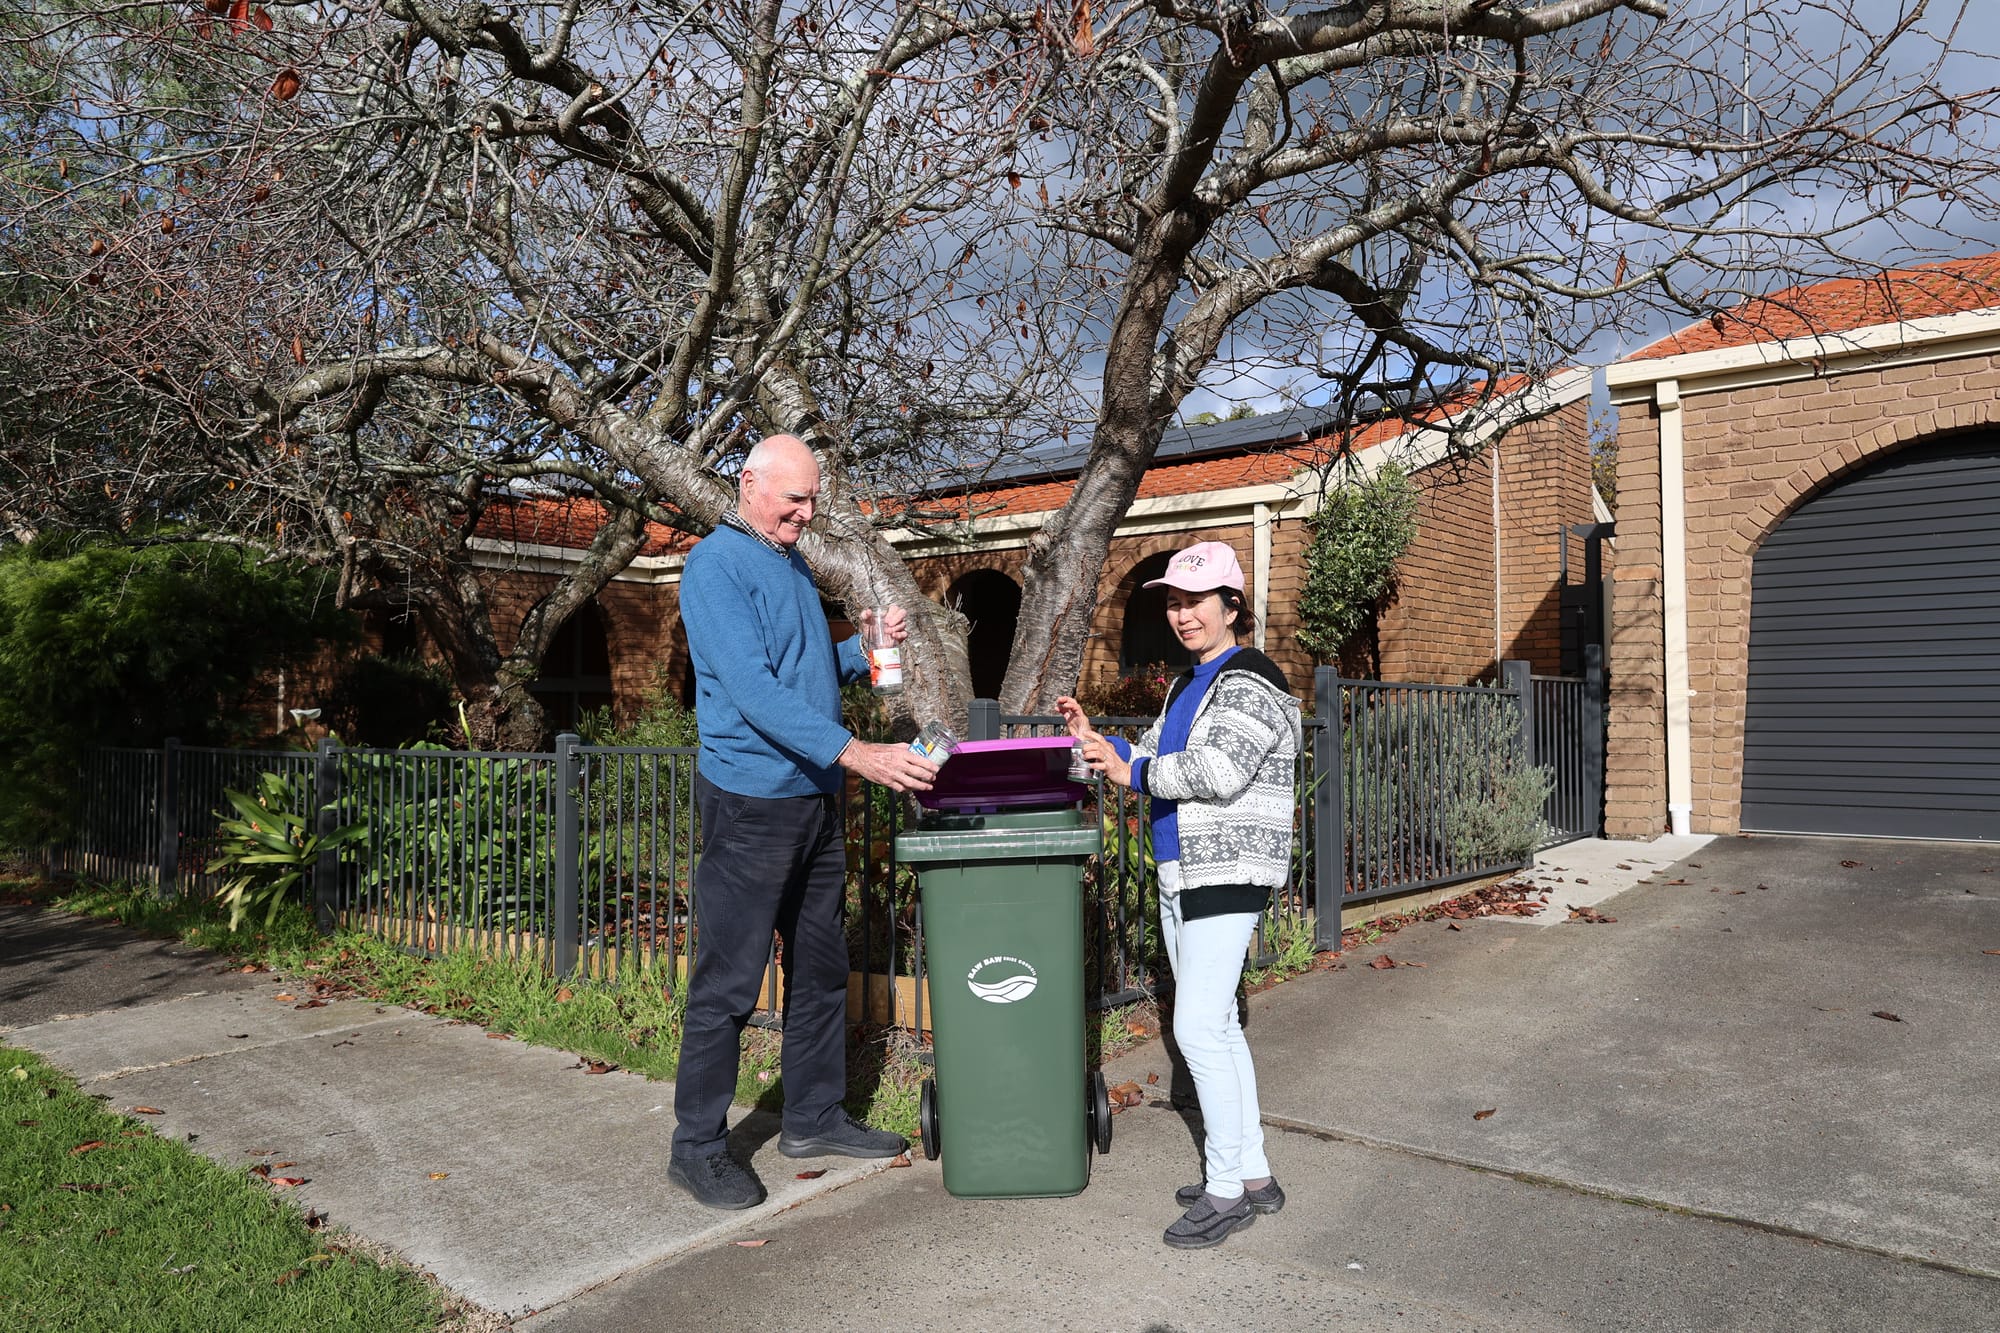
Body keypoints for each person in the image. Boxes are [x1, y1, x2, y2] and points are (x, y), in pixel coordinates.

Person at [672, 433, 941, 1210]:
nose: (807, 512)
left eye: (813, 498)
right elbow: (754, 690)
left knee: (821, 968)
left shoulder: (786, 561)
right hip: (750, 802)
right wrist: (859, 752)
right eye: (795, 498)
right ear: (749, 483)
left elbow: (803, 668)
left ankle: (814, 1116)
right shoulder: (714, 565)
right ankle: (696, 1146)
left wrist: (863, 647)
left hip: (812, 801)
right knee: (727, 980)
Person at [1055, 540, 1301, 1250]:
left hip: (1225, 869)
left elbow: (1218, 770)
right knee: (1217, 1024)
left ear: (1232, 606)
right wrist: (1099, 743)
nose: (1183, 613)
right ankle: (1253, 1172)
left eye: (1197, 601)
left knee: (1195, 1027)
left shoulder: (1251, 678)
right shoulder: (1188, 682)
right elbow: (1150, 758)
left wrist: (1136, 772)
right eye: (1172, 600)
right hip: (1183, 869)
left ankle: (1226, 1190)